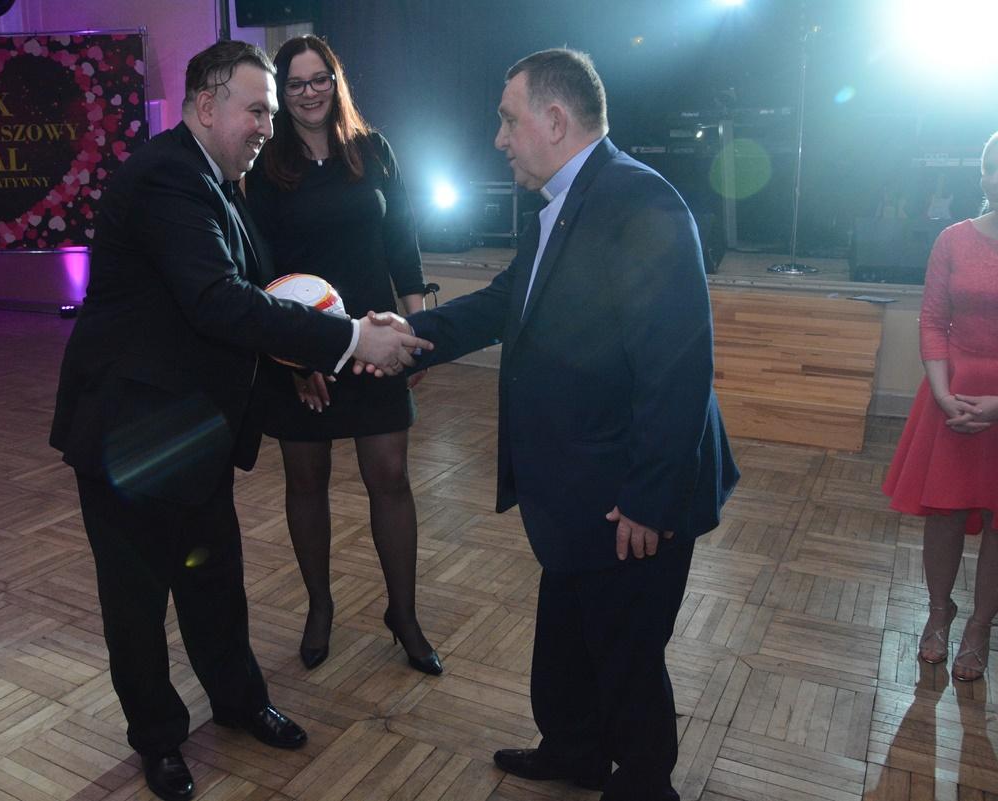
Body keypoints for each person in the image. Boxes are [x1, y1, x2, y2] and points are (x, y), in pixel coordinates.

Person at [49, 40, 431, 801]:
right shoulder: (166, 177)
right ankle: (159, 739)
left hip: (195, 430)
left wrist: (314, 348)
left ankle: (238, 701)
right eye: (257, 110)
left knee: (215, 581)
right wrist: (351, 338)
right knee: (136, 604)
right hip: (130, 434)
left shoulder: (220, 182)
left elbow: (268, 293)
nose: (268, 125)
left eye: (270, 112)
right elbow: (218, 302)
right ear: (205, 105)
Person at [365, 49, 737, 801]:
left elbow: (677, 367)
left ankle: (643, 783)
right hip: (578, 483)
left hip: (629, 492)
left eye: (509, 120)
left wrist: (649, 499)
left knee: (626, 653)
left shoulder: (642, 202)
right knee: (569, 629)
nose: (498, 138)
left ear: (556, 120)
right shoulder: (563, 202)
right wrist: (410, 334)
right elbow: (508, 301)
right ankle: (574, 750)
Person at [244, 35, 440, 675]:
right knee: (307, 483)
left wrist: (416, 333)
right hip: (304, 351)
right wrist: (293, 361)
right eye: (295, 83)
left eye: (319, 78)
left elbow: (402, 240)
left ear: (336, 80)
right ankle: (320, 607)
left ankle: (403, 615)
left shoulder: (372, 148)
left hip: (378, 340)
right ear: (282, 93)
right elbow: (260, 269)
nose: (310, 92)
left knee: (391, 478)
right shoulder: (265, 166)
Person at [883, 130, 998, 682]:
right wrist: (943, 393)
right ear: (984, 176)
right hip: (951, 392)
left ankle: (980, 625)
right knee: (946, 512)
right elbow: (932, 320)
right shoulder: (953, 240)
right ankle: (939, 611)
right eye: (996, 168)